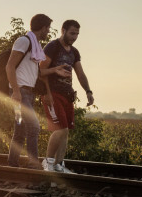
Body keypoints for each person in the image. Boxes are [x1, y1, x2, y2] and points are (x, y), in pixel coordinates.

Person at [6, 14, 67, 168]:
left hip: (28, 93)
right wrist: (16, 91)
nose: (48, 32)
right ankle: (34, 164)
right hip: (20, 92)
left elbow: (38, 73)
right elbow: (10, 66)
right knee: (34, 126)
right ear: (43, 28)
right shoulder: (24, 41)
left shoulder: (36, 46)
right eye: (48, 28)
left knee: (20, 131)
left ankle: (12, 164)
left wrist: (55, 70)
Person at [40, 20, 95, 172]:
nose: (75, 37)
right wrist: (47, 93)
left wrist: (88, 91)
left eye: (77, 34)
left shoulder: (74, 52)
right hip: (53, 93)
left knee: (66, 130)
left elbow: (80, 74)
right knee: (60, 129)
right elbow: (41, 71)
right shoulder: (53, 47)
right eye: (72, 33)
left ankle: (58, 165)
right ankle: (48, 162)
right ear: (63, 30)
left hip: (67, 94)